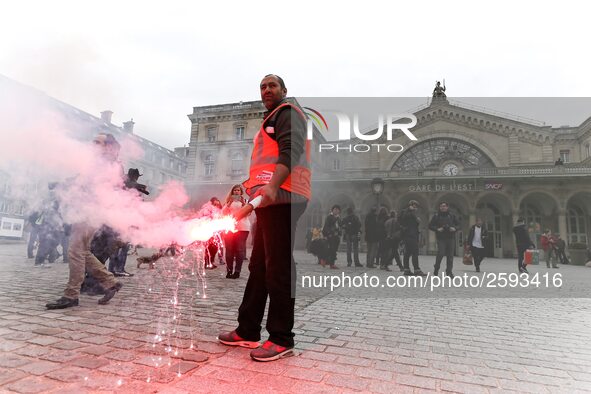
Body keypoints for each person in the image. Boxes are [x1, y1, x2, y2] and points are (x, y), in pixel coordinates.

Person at [218, 74, 310, 362]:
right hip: (270, 199)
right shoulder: (269, 120)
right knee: (258, 266)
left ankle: (282, 338)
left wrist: (271, 187)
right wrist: (247, 191)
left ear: (283, 90)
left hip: (284, 197)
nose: (266, 90)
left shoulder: (288, 114)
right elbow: (264, 166)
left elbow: (290, 153)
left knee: (278, 267)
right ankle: (248, 330)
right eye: (262, 86)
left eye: (272, 85)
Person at [46, 133, 123, 309]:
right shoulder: (103, 162)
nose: (92, 143)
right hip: (89, 210)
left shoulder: (104, 164)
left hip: (88, 211)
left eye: (97, 142)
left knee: (75, 251)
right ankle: (111, 283)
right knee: (83, 251)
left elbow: (89, 185)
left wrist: (63, 185)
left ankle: (71, 295)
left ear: (108, 146)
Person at [222, 185, 250, 278]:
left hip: (242, 228)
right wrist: (229, 204)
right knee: (229, 250)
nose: (236, 192)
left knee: (239, 249)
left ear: (241, 192)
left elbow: (248, 213)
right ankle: (229, 271)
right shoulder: (228, 202)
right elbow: (223, 214)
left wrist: (244, 204)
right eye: (235, 190)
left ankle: (237, 271)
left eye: (238, 190)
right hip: (229, 228)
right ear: (232, 192)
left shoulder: (246, 202)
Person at [429, 202, 460, 277]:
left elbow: (459, 225)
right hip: (441, 238)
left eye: (444, 206)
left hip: (451, 238)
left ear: (447, 207)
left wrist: (454, 228)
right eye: (441, 206)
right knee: (441, 253)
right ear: (439, 207)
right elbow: (430, 226)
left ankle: (449, 272)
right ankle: (436, 267)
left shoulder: (452, 215)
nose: (443, 207)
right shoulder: (436, 216)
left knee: (450, 256)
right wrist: (437, 229)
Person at [399, 200, 427, 276]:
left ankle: (407, 270)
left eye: (416, 206)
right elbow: (403, 218)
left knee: (407, 252)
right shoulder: (405, 211)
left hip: (412, 235)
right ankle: (417, 270)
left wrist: (417, 221)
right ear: (411, 205)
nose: (416, 207)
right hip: (409, 235)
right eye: (415, 205)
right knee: (415, 252)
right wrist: (409, 210)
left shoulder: (412, 213)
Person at [204, 197, 223, 270]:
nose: (216, 202)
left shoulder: (220, 210)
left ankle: (211, 261)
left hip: (218, 231)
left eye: (217, 200)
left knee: (215, 248)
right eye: (215, 201)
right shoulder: (207, 209)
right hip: (209, 231)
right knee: (208, 248)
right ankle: (206, 263)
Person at [322, 205, 341, 269]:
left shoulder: (338, 218)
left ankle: (330, 262)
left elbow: (339, 226)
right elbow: (326, 226)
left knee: (334, 250)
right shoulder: (329, 217)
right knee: (331, 249)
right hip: (331, 235)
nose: (336, 210)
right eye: (335, 209)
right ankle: (329, 262)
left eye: (337, 209)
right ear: (332, 210)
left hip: (336, 236)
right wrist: (328, 234)